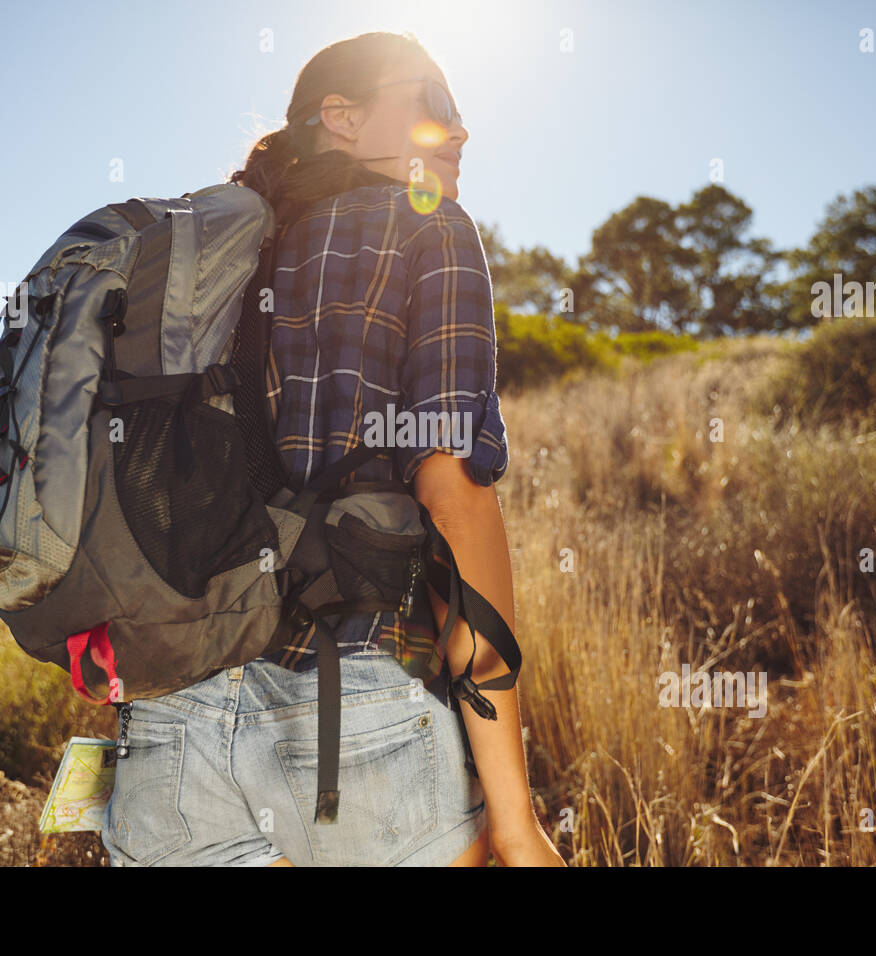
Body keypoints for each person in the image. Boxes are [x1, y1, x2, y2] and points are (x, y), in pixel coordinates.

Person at [100, 30, 564, 867]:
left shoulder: (190, 266)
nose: (459, 131)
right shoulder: (424, 227)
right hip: (353, 715)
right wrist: (516, 820)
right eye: (436, 105)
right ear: (341, 118)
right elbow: (453, 495)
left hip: (167, 734)